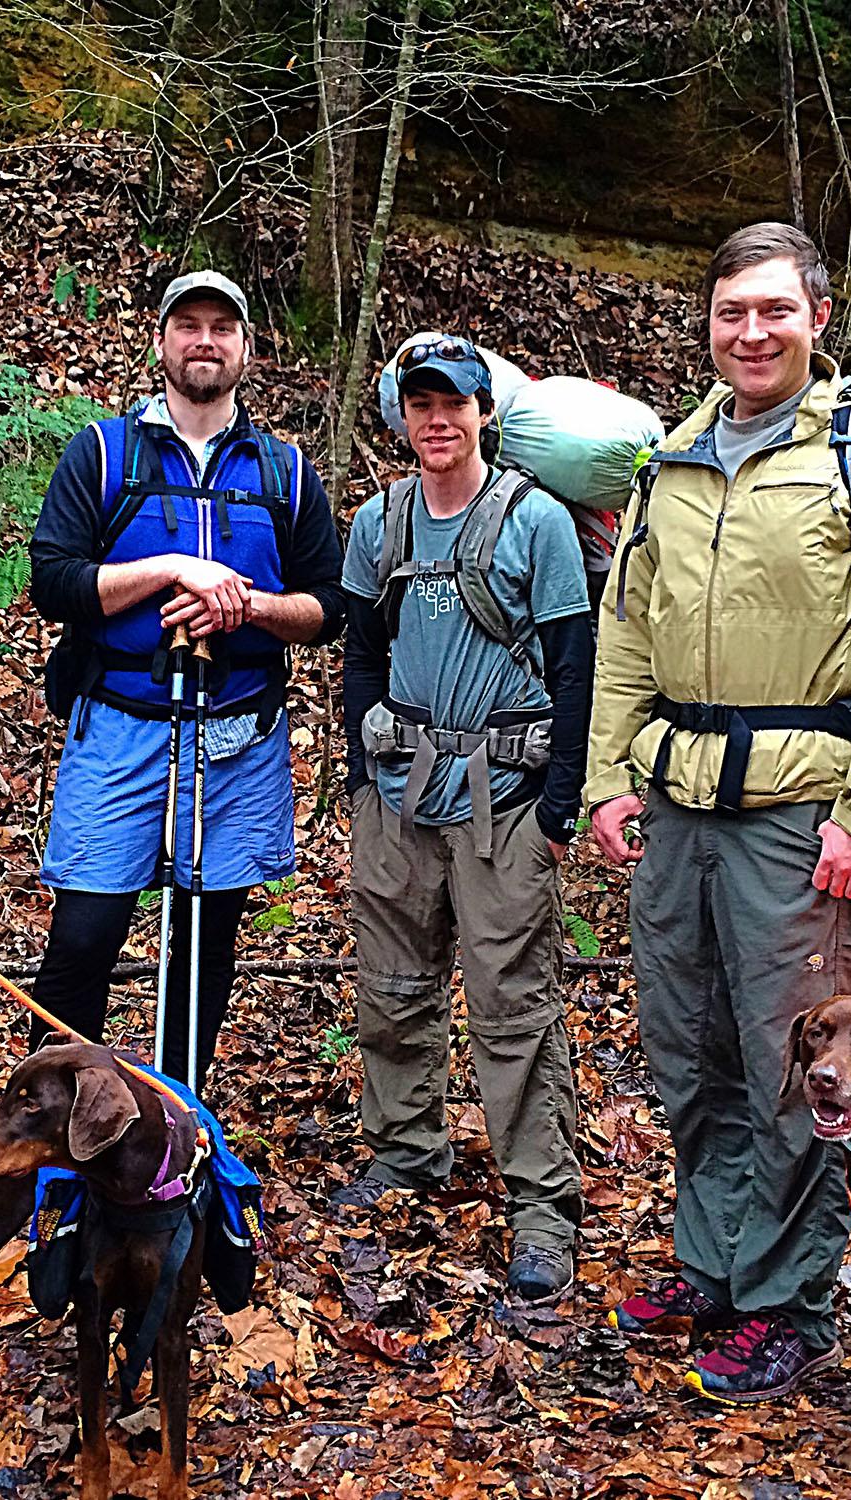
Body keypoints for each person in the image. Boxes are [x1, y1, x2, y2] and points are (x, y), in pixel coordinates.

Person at [587, 222, 851, 1401]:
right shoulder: (672, 460)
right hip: (680, 808)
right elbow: (624, 632)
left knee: (801, 1071)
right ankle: (714, 1264)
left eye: (774, 312)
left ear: (817, 320)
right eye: (730, 312)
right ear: (708, 322)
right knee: (689, 1055)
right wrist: (605, 777)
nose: (751, 332)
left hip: (803, 818)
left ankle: (789, 1300)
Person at [27, 271, 346, 1089]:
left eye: (222, 327)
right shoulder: (104, 453)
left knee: (204, 944)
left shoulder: (283, 471)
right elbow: (55, 581)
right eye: (189, 326)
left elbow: (327, 607)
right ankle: (56, 1128)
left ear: (246, 348)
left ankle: (173, 1120)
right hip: (121, 720)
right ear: (162, 341)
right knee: (85, 938)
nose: (205, 341)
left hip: (238, 732)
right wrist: (171, 569)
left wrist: (250, 611)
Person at [334, 336, 593, 1305]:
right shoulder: (380, 523)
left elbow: (576, 665)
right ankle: (406, 1153)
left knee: (513, 1005)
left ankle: (541, 1209)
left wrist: (561, 799)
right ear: (401, 416)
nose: (437, 421)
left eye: (455, 404)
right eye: (420, 404)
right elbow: (361, 649)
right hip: (399, 801)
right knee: (393, 987)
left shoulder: (538, 523)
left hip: (506, 805)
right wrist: (363, 774)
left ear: (486, 412)